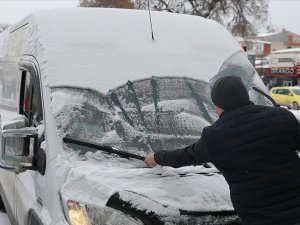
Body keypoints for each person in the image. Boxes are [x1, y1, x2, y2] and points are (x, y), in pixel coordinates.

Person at [144, 76, 300, 225]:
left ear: (218, 104)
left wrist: (157, 157)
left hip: (262, 216)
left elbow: (185, 156)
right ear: (245, 96)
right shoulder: (282, 117)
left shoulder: (214, 136)